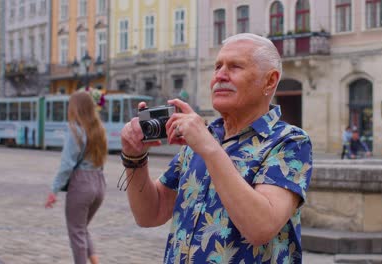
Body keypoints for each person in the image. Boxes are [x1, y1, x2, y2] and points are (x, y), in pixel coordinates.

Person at [120, 33, 312, 263]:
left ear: (270, 81)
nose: (220, 75)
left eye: (235, 67)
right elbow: (150, 214)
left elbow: (260, 227)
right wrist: (135, 158)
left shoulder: (290, 141)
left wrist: (209, 149)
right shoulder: (204, 137)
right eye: (217, 66)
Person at [45, 90, 108, 264]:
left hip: (82, 184)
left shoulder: (76, 131)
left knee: (77, 232)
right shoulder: (99, 130)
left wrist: (54, 190)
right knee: (81, 228)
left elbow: (66, 165)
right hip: (99, 183)